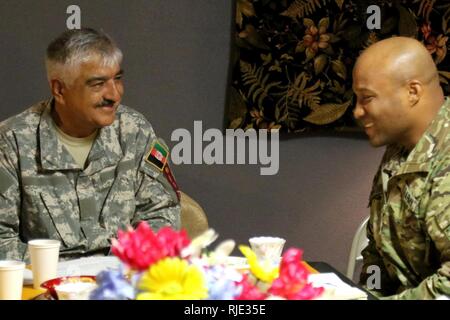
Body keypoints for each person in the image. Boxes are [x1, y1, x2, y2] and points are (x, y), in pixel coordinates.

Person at [0, 28, 181, 261]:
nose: (114, 95)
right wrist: (69, 273)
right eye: (98, 84)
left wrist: (124, 268)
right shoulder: (12, 142)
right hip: (47, 287)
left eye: (117, 79)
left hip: (121, 283)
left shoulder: (134, 130)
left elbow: (162, 212)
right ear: (60, 89)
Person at [353, 36, 450, 299]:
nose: (357, 112)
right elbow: (378, 251)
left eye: (367, 98)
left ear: (413, 92)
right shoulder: (400, 149)